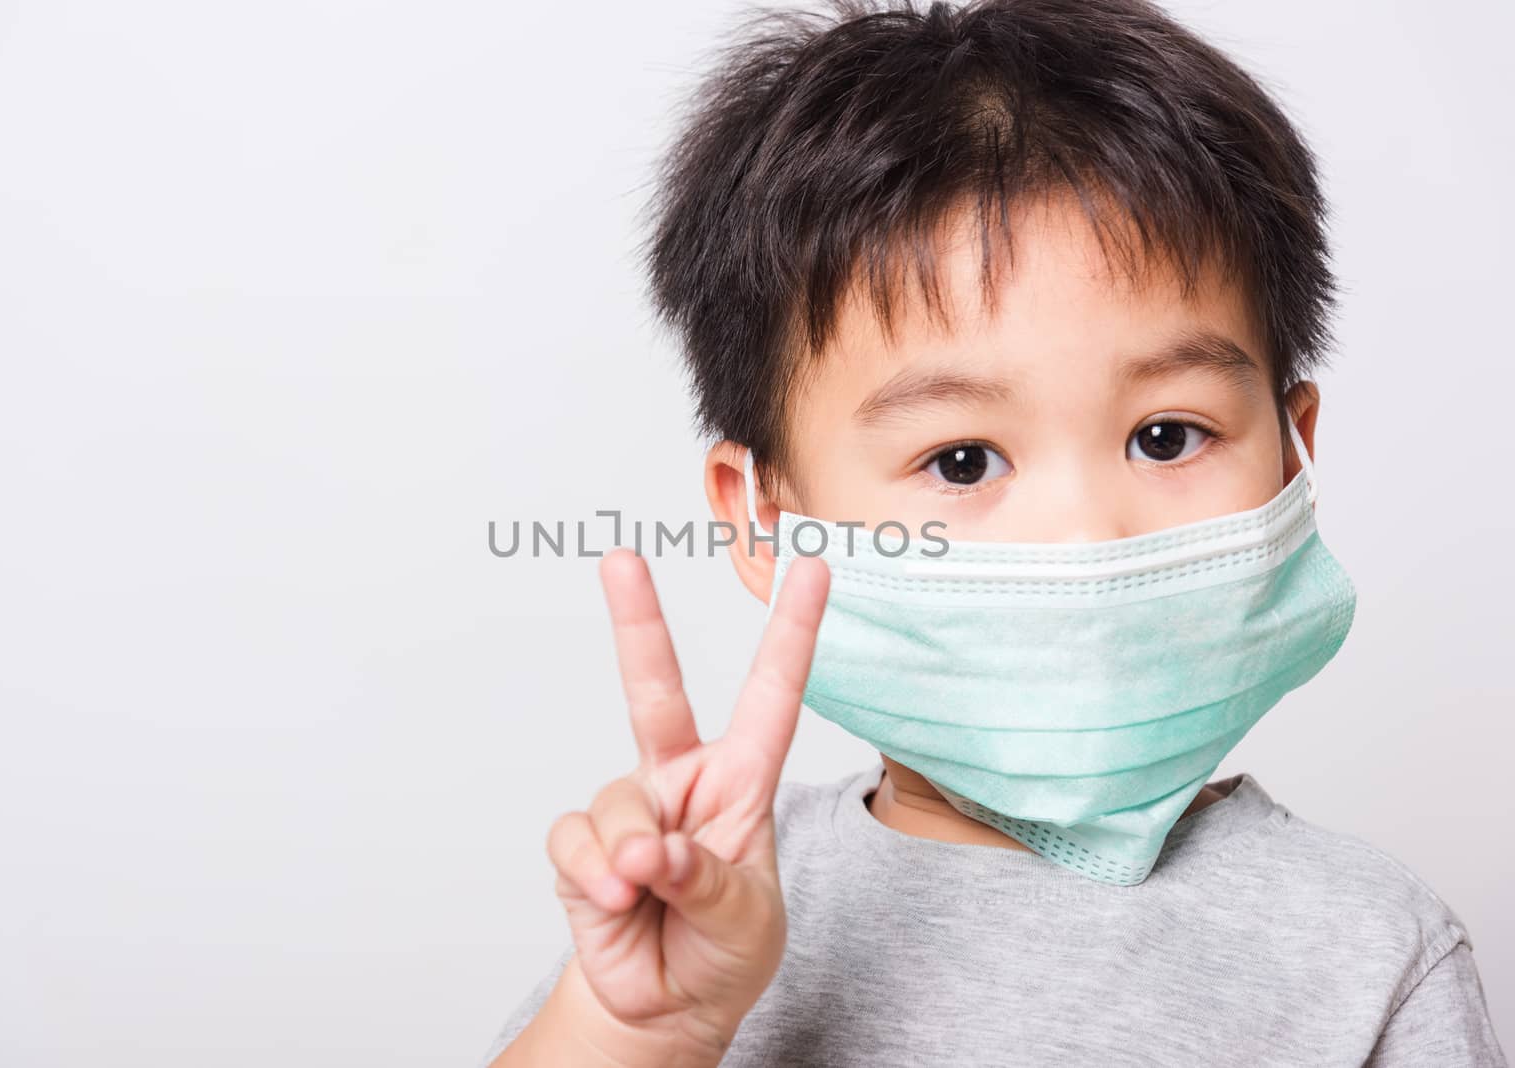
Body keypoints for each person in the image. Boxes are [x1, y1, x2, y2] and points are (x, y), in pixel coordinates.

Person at [481, 0, 1507, 1063]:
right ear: (771, 519)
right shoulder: (699, 900)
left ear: (1293, 453)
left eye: (1166, 435)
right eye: (961, 460)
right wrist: (631, 1029)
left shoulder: (1369, 954)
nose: (1082, 534)